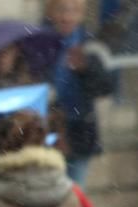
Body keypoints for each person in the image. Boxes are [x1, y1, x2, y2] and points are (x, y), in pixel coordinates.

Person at [44, 0, 117, 184]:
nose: (67, 17)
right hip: (47, 129)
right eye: (61, 10)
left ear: (82, 15)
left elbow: (106, 87)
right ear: (51, 12)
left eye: (74, 11)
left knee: (76, 193)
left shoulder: (90, 42)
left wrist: (86, 69)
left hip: (80, 129)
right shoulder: (39, 42)